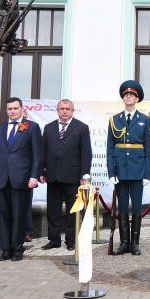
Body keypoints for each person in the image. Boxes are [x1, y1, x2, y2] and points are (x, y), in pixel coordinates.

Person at [0, 97, 42, 261]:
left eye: (15, 108)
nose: (12, 111)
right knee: (4, 215)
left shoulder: (31, 127)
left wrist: (34, 175)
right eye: (9, 109)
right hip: (2, 177)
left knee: (19, 214)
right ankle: (5, 248)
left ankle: (17, 248)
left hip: (22, 178)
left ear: (21, 109)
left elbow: (37, 155)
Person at [40, 99, 92, 251]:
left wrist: (84, 174)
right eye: (62, 108)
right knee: (53, 210)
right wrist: (41, 171)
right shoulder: (48, 128)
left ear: (72, 111)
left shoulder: (82, 128)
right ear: (57, 110)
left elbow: (86, 153)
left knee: (73, 210)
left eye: (67, 109)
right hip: (53, 175)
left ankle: (71, 240)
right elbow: (43, 151)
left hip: (73, 176)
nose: (64, 111)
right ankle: (54, 240)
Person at [107, 81, 150, 255]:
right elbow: (110, 148)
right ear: (123, 98)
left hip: (138, 170)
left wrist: (148, 174)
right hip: (120, 171)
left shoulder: (144, 120)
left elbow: (149, 149)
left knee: (137, 208)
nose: (129, 97)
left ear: (137, 98)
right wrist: (111, 172)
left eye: (132, 95)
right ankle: (124, 242)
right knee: (123, 207)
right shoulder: (114, 120)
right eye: (126, 95)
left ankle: (135, 243)